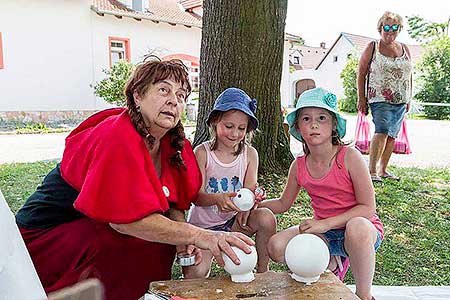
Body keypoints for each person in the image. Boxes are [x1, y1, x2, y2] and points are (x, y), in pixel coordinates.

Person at [15, 58, 254, 300]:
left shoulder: (174, 145)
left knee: (161, 239)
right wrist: (199, 235)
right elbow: (123, 221)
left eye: (181, 95)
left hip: (96, 229)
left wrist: (182, 235)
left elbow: (175, 203)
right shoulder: (116, 135)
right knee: (128, 239)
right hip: (44, 239)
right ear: (138, 96)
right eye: (164, 90)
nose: (174, 100)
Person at [259, 88, 384, 300]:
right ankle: (331, 260)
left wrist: (326, 223)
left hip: (360, 229)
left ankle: (364, 295)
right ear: (298, 126)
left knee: (357, 227)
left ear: (334, 124)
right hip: (324, 233)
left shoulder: (349, 157)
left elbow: (368, 208)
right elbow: (282, 203)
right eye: (306, 118)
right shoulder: (298, 166)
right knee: (276, 246)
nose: (314, 124)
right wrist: (256, 204)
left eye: (322, 118)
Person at [184, 87, 276, 278]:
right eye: (229, 126)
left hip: (234, 222)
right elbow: (196, 197)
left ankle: (262, 272)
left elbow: (250, 188)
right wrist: (218, 198)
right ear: (215, 122)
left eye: (241, 128)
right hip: (203, 228)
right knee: (195, 273)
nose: (235, 134)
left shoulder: (250, 154)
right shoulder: (202, 153)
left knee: (266, 217)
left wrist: (252, 199)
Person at [357, 11, 413, 182]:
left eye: (394, 27)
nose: (390, 30)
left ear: (399, 29)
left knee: (392, 135)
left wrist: (409, 97)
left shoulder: (404, 48)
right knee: (381, 131)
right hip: (379, 98)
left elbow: (409, 74)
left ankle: (383, 170)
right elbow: (361, 73)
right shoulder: (373, 46)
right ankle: (371, 171)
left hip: (401, 99)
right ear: (380, 28)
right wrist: (361, 98)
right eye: (386, 27)